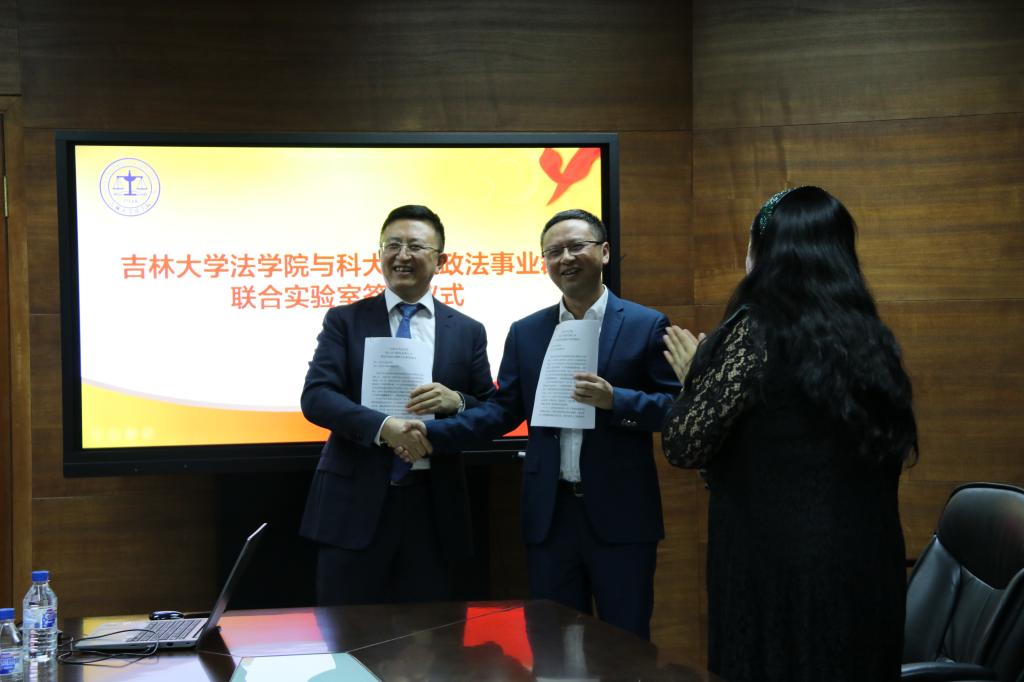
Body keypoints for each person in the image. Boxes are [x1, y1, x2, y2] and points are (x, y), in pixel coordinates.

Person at [661, 186, 918, 682]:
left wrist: (696, 377)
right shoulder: (868, 336)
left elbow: (684, 444)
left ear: (765, 252)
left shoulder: (755, 329)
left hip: (778, 572)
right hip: (866, 565)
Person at [404, 208, 680, 640]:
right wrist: (430, 433)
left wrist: (616, 400)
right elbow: (501, 411)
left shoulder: (645, 325)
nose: (565, 258)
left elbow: (676, 408)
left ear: (605, 253)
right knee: (553, 645)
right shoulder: (527, 332)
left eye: (576, 246)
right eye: (553, 251)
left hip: (622, 515)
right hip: (551, 516)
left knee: (626, 641)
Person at [299, 204, 495, 605]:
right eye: (393, 245)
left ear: (441, 260)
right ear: (380, 253)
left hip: (432, 506)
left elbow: (490, 411)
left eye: (415, 246)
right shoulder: (345, 320)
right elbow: (317, 397)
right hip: (353, 504)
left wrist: (457, 401)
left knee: (430, 635)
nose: (402, 255)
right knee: (347, 632)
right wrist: (384, 427)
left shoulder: (467, 331)